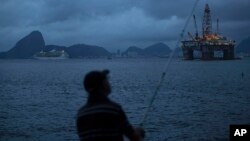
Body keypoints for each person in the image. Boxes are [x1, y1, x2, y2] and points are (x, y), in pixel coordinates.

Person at [76, 70, 145, 141]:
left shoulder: (80, 114)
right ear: (104, 84)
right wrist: (139, 132)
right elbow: (134, 137)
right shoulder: (113, 109)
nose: (109, 82)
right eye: (106, 80)